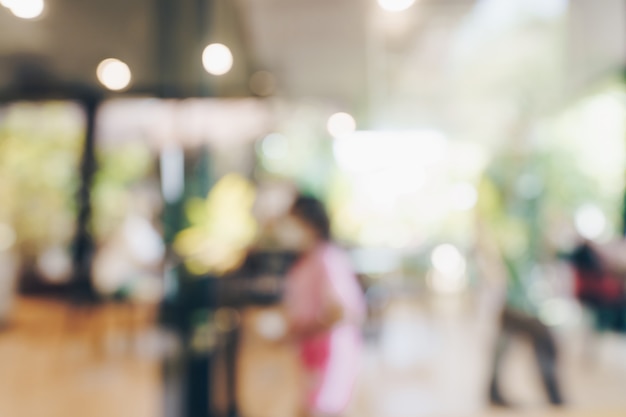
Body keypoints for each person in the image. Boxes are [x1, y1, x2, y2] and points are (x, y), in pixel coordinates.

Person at [279, 195, 366, 417]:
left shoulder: (326, 259)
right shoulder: (311, 258)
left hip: (327, 358)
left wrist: (302, 330)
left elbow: (341, 312)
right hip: (311, 356)